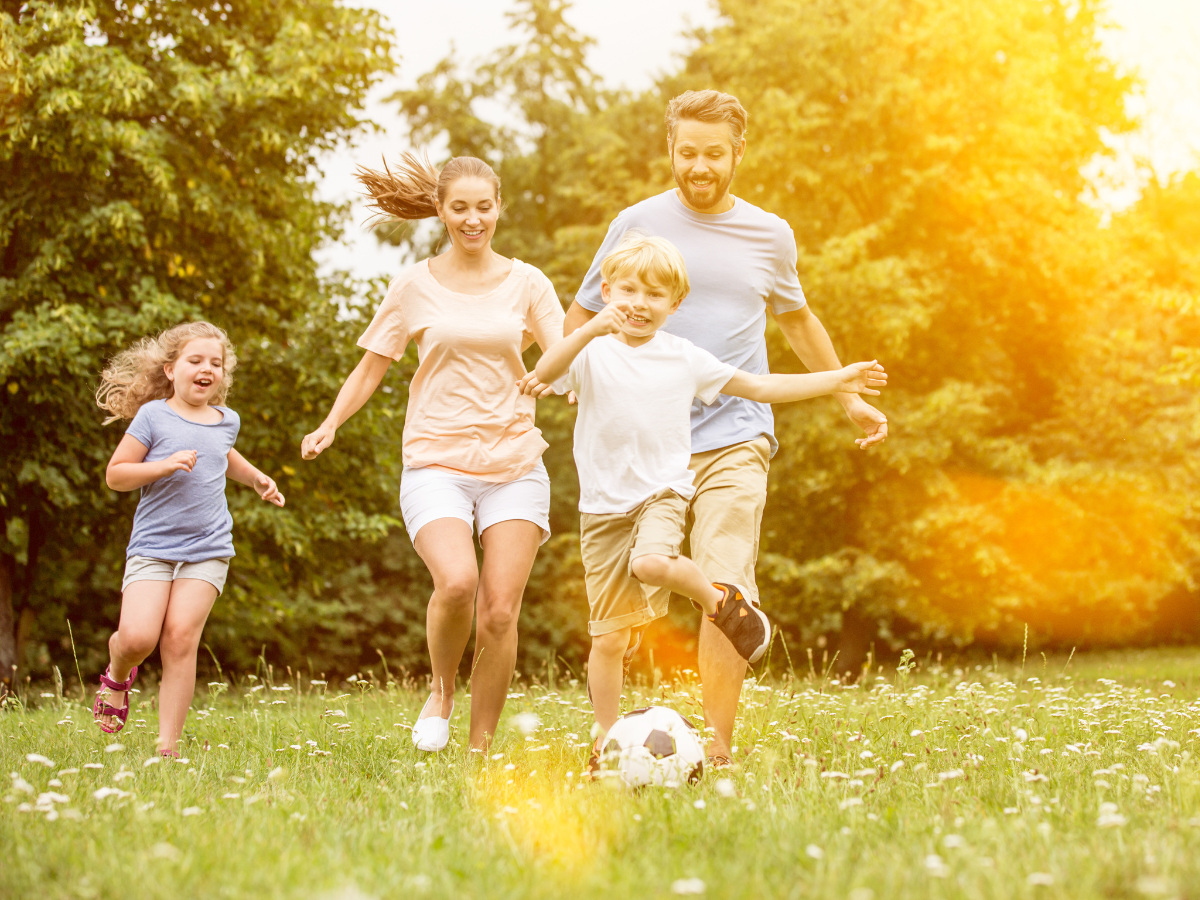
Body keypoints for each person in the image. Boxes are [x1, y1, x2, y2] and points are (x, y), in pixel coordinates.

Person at [564, 90, 890, 766]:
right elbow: (583, 313)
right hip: (645, 447)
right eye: (687, 152)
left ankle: (716, 747)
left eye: (713, 154)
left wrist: (848, 396)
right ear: (670, 147)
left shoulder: (769, 234)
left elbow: (797, 320)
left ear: (739, 152)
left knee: (723, 582)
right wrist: (576, 380)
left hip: (735, 435)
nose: (699, 167)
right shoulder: (636, 224)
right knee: (621, 606)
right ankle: (611, 737)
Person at [301, 154, 564, 752]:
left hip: (514, 462)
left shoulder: (529, 283)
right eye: (460, 208)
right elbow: (371, 367)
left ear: (499, 207)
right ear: (441, 211)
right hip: (435, 459)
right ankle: (442, 691)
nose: (473, 219)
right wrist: (330, 424)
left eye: (484, 207)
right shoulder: (413, 285)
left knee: (500, 612)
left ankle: (479, 750)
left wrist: (566, 381)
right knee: (457, 582)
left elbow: (561, 355)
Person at [93, 322, 285, 756]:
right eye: (195, 360)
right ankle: (118, 669)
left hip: (208, 547)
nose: (207, 369)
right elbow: (116, 475)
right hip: (153, 547)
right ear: (170, 370)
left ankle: (168, 748)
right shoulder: (153, 416)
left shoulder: (227, 420)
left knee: (180, 638)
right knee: (137, 639)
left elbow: (223, 454)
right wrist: (162, 465)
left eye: (216, 363)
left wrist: (256, 478)